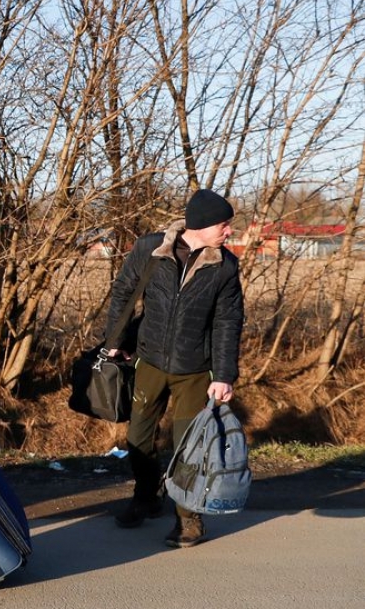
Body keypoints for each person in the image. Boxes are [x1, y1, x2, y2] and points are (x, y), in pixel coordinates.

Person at [105, 189, 243, 548]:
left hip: (196, 370)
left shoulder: (225, 266)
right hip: (149, 360)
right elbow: (123, 292)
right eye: (224, 224)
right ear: (200, 224)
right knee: (138, 437)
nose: (229, 231)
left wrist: (225, 375)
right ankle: (147, 497)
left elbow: (229, 322)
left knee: (188, 447)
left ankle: (188, 519)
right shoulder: (150, 248)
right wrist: (114, 340)